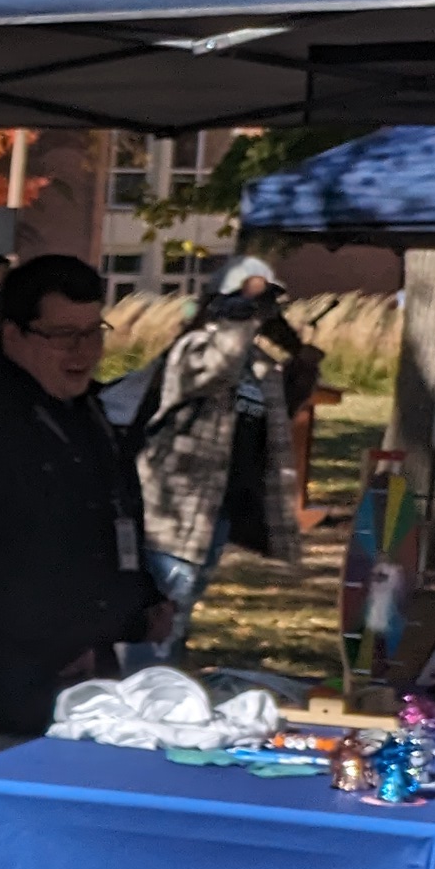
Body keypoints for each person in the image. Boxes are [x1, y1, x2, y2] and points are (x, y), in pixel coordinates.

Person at [0, 252, 163, 752]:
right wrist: (60, 640)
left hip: (89, 654)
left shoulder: (83, 409)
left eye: (94, 331)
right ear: (14, 335)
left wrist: (142, 599)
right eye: (63, 336)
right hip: (18, 671)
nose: (83, 350)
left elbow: (110, 516)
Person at [125, 255, 302, 657]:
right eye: (249, 305)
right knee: (161, 615)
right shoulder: (193, 351)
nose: (259, 314)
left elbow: (270, 426)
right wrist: (243, 302)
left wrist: (300, 361)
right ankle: (147, 694)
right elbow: (222, 360)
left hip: (217, 513)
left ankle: (164, 689)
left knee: (180, 614)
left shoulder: (260, 367)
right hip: (175, 509)